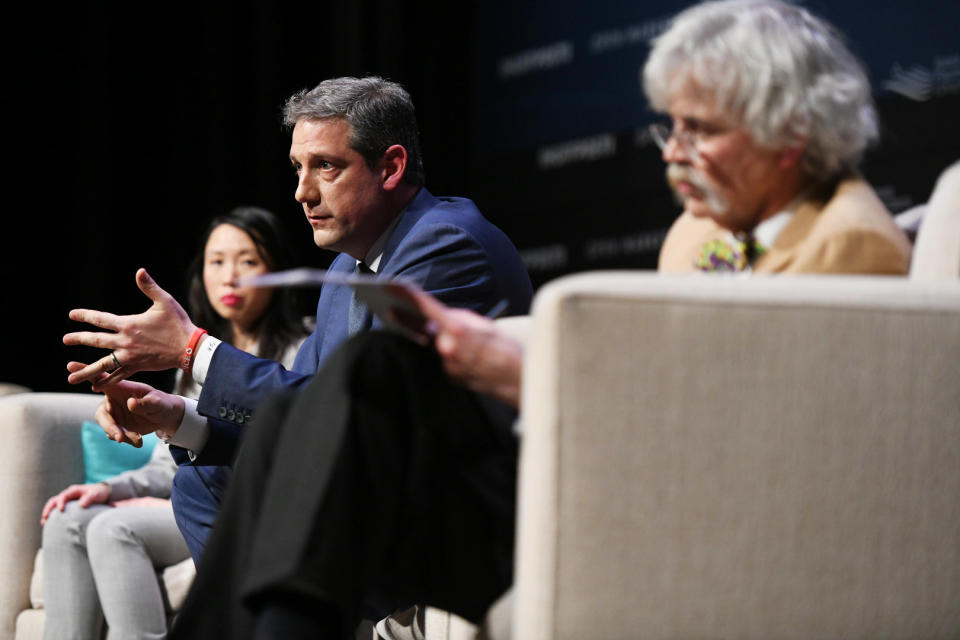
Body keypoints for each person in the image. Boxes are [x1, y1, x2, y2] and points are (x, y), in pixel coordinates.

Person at [160, 2, 918, 638]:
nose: (675, 157)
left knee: (362, 392)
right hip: (587, 477)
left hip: (662, 513)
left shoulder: (847, 239)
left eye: (701, 131)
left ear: (791, 133)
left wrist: (535, 377)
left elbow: (746, 447)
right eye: (670, 129)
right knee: (364, 378)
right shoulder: (703, 234)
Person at [62, 76, 533, 567]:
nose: (302, 193)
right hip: (367, 483)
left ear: (391, 167)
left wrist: (193, 349)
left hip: (437, 503)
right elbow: (300, 406)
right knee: (201, 479)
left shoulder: (444, 245)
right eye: (297, 168)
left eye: (325, 167)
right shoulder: (346, 268)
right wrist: (178, 418)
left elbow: (348, 417)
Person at [41, 206, 308, 640]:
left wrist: (157, 504)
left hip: (238, 506)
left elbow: (280, 451)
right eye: (217, 262)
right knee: (67, 517)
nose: (231, 276)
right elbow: (174, 456)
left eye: (249, 261)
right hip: (187, 496)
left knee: (114, 527)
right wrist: (112, 489)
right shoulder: (191, 358)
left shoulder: (302, 350)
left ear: (275, 270)